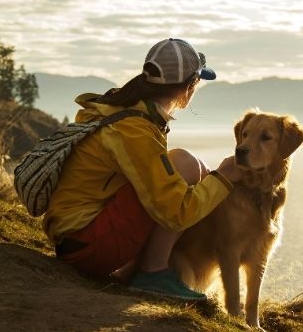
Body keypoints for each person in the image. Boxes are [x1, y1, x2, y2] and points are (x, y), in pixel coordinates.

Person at [43, 38, 243, 301]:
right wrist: (222, 179)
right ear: (189, 87)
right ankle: (153, 272)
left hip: (75, 238)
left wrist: (207, 175)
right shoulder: (135, 129)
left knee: (188, 165)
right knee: (184, 164)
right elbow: (175, 212)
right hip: (88, 246)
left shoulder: (126, 110)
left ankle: (133, 270)